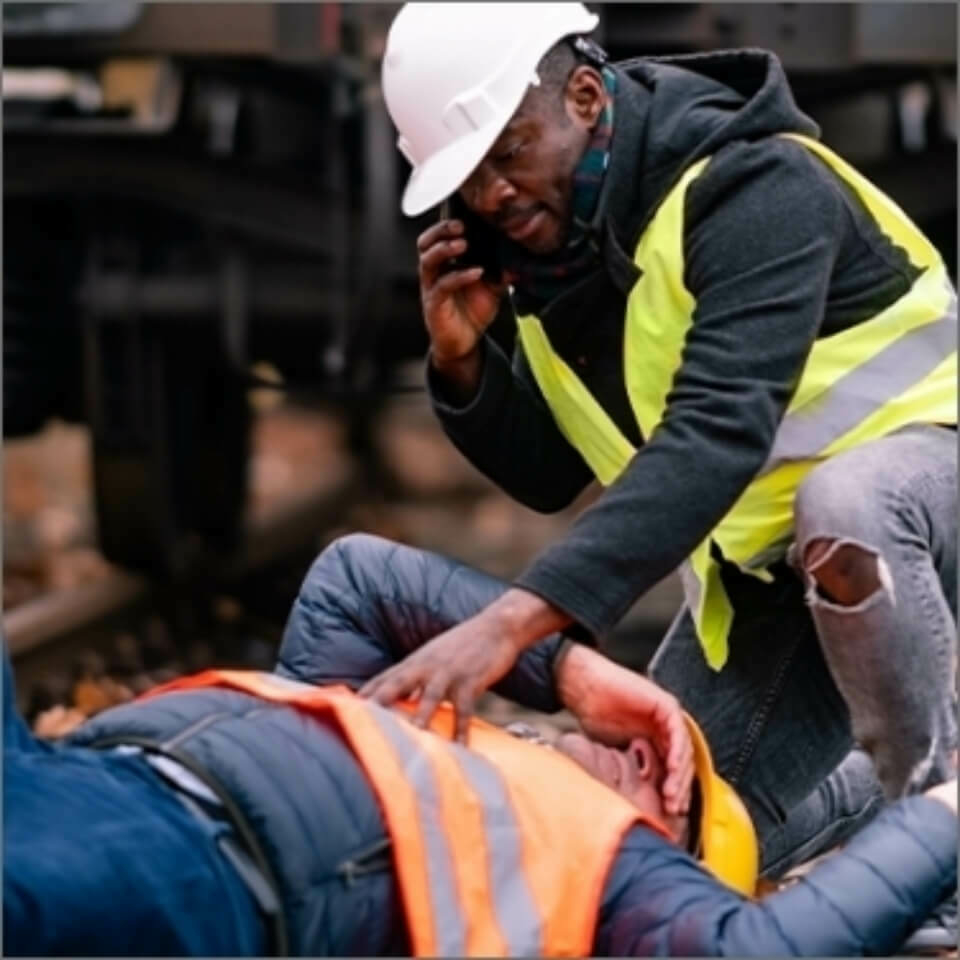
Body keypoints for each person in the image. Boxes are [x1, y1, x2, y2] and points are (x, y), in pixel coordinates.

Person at [372, 0, 959, 878]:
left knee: (845, 501)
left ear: (581, 97)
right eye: (469, 174)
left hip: (926, 505)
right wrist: (465, 365)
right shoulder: (552, 253)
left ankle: (940, 849)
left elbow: (716, 432)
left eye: (509, 152)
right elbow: (549, 474)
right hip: (776, 578)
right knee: (658, 840)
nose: (491, 192)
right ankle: (872, 806)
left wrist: (508, 625)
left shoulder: (754, 184)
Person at [4, 534, 957, 957]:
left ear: (671, 873)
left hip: (174, 866)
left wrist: (947, 808)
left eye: (679, 793)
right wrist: (571, 673)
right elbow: (355, 580)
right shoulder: (415, 730)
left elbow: (765, 946)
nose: (654, 759)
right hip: (64, 773)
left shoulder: (602, 885)